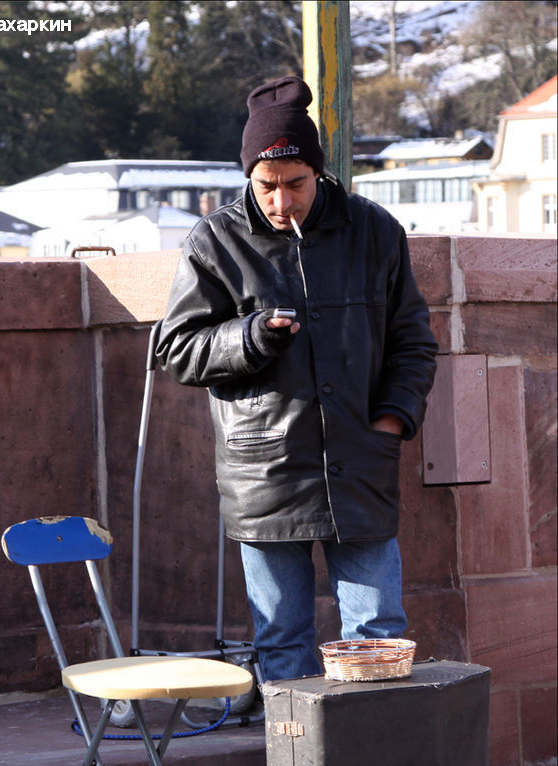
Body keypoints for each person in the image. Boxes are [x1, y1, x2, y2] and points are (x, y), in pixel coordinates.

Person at [156, 75, 438, 692]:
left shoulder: (375, 230)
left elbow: (414, 341)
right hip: (264, 471)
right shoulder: (216, 239)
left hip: (361, 460)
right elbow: (176, 348)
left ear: (318, 171)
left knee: (378, 636)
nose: (282, 202)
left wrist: (391, 418)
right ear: (248, 179)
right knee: (281, 636)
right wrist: (249, 337)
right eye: (267, 187)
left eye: (295, 184)